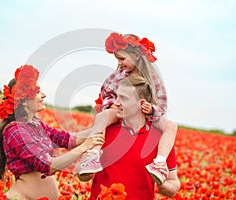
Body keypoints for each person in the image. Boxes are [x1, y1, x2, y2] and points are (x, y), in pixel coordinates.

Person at [0, 65, 111, 200]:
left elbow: (70, 139)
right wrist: (84, 147)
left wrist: (105, 121)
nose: (43, 95)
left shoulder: (37, 125)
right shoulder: (15, 131)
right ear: (24, 101)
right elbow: (46, 165)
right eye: (37, 92)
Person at [76, 32, 178, 185]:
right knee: (103, 116)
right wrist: (113, 105)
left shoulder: (152, 77)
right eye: (117, 59)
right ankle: (94, 155)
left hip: (145, 116)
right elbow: (106, 91)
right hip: (119, 112)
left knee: (171, 126)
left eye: (122, 59)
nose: (119, 63)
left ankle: (160, 163)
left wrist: (151, 110)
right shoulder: (119, 75)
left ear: (136, 56)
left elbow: (161, 104)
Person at [90, 76, 180, 199]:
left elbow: (173, 185)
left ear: (141, 103)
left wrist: (162, 183)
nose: (116, 103)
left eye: (124, 98)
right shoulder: (105, 128)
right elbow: (82, 175)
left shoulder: (161, 140)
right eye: (117, 96)